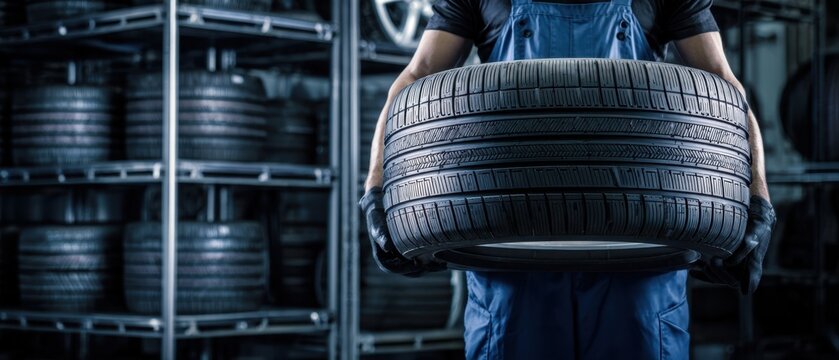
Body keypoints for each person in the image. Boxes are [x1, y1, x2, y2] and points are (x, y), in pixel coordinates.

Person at [358, 0, 777, 358]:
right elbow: (418, 77)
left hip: (638, 263)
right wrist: (378, 189)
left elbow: (722, 85)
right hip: (511, 260)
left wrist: (756, 195)